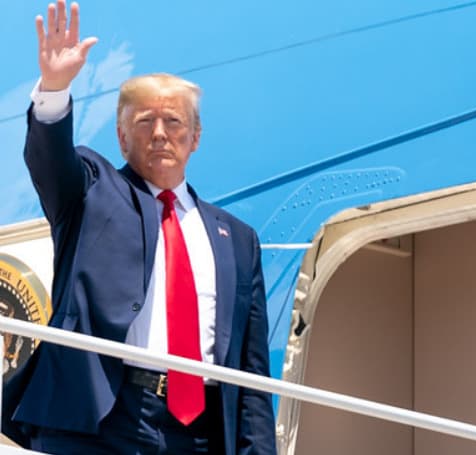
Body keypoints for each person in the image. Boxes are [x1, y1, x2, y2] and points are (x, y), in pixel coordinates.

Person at [2, 1, 277, 454]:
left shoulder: (238, 240)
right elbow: (51, 161)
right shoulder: (91, 190)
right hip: (104, 419)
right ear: (122, 136)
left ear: (196, 137)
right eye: (144, 122)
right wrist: (54, 87)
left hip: (202, 432)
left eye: (174, 122)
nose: (160, 134)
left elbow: (251, 371)